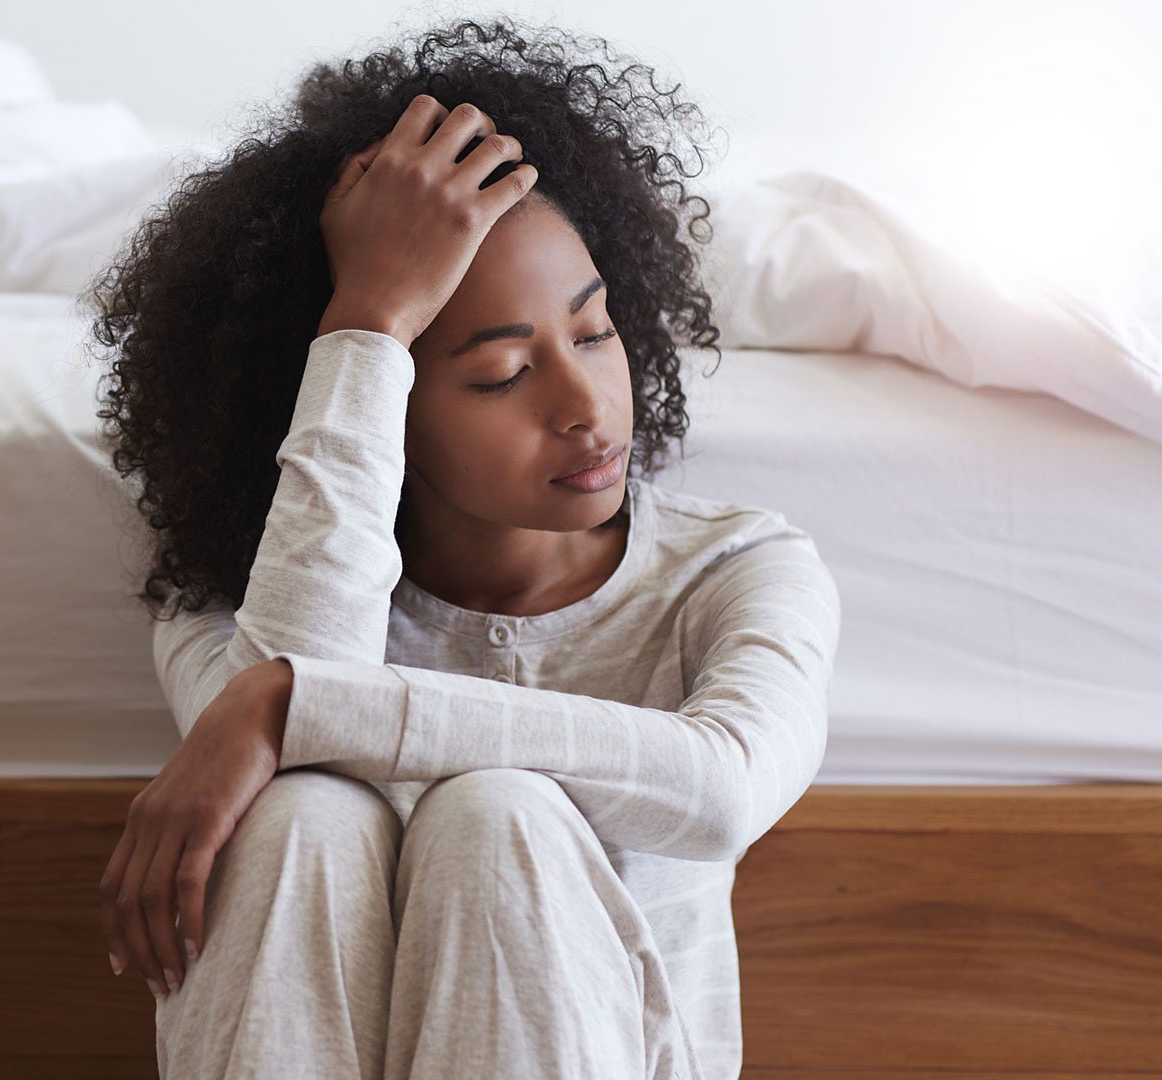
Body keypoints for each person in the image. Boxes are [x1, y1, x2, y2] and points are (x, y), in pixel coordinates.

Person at [86, 17, 842, 1080]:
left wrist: (284, 703)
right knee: (297, 812)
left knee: (500, 812)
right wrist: (369, 322)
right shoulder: (239, 604)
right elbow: (301, 676)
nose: (587, 409)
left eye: (593, 332)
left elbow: (722, 790)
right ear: (378, 401)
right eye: (498, 376)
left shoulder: (736, 571)